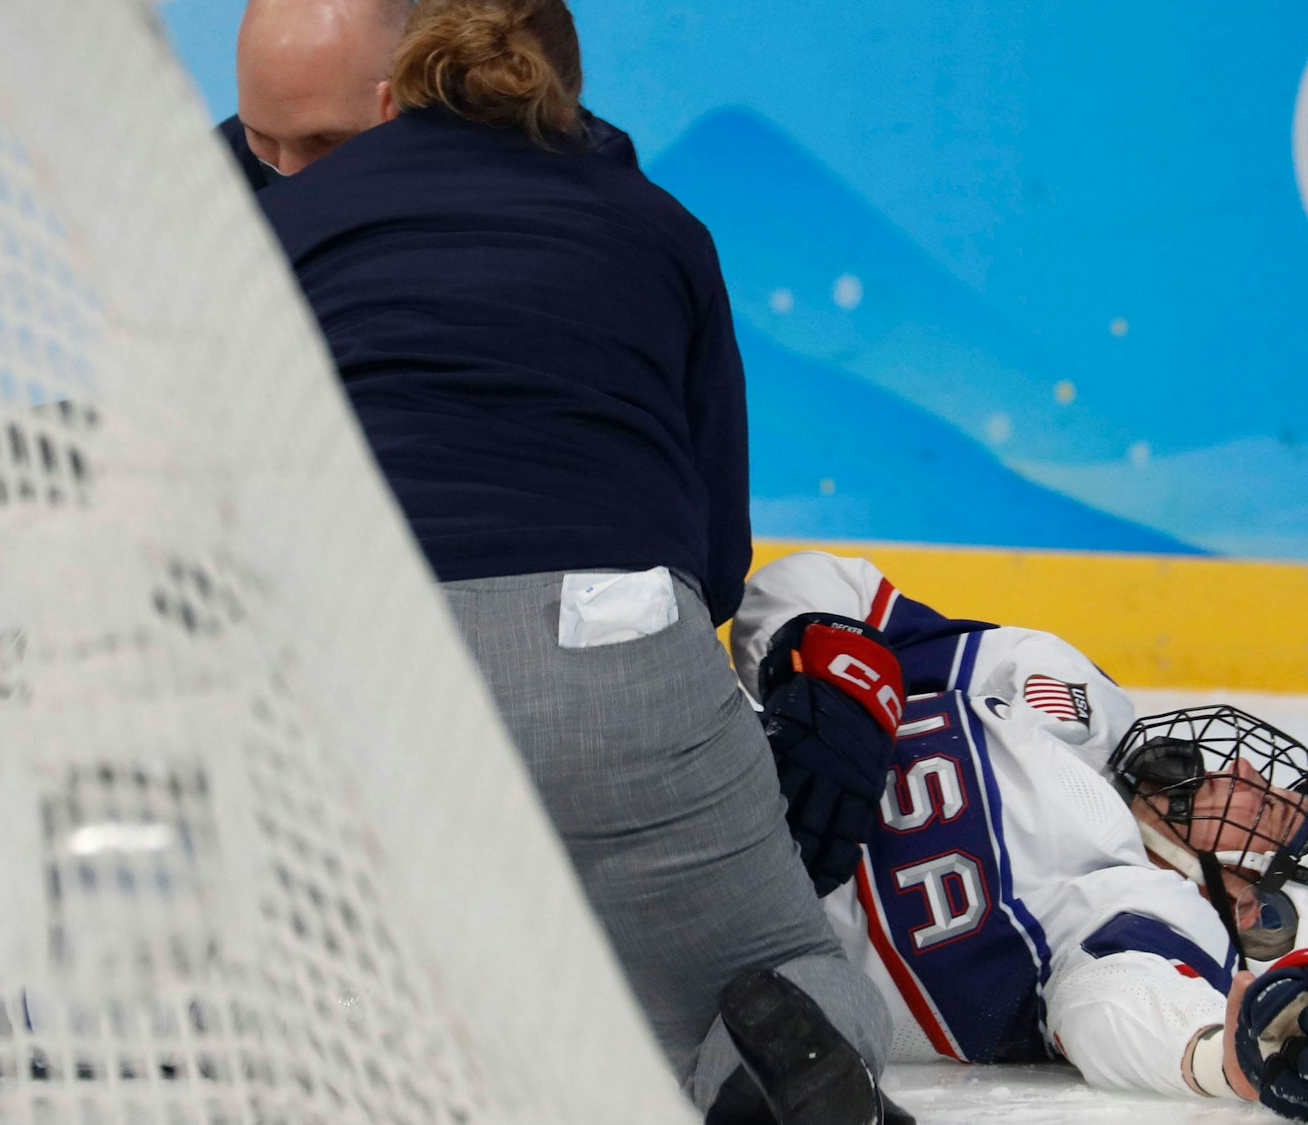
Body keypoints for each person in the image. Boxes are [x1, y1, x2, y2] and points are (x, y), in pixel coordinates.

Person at [253, 3, 893, 1122]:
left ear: (390, 93)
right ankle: (752, 1068)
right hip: (615, 643)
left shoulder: (286, 224)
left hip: (358, 671)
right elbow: (712, 554)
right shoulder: (661, 227)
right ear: (567, 92)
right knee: (783, 968)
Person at [732, 551, 1308, 1124]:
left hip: (712, 951)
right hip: (683, 774)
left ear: (1257, 911)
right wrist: (838, 671)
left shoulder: (1148, 919)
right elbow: (800, 584)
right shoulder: (1074, 691)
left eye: (1266, 808)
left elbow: (1122, 1008)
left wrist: (1239, 1049)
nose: (1240, 768)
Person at [220, 0, 634, 190]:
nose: (291, 178)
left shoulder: (577, 181)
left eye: (324, 141)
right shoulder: (213, 178)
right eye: (264, 139)